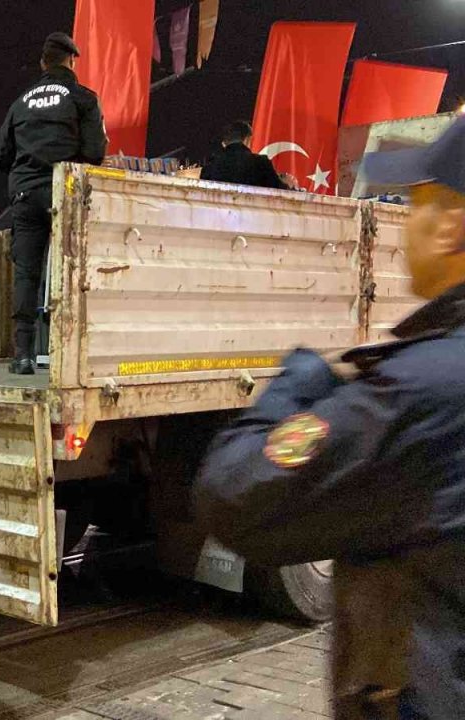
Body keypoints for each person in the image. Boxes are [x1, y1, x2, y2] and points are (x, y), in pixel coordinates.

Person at [195, 116, 465, 720]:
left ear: (451, 226)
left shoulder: (421, 389)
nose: (404, 225)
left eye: (414, 204)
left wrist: (300, 382)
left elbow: (235, 495)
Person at [0, 31, 107, 375]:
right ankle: (68, 355)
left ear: (43, 63)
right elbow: (95, 152)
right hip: (65, 193)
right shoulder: (82, 98)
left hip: (25, 195)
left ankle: (23, 355)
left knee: (27, 273)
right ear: (71, 61)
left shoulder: (20, 102)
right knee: (72, 271)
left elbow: (2, 156)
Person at [200, 121, 294, 190]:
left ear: (225, 142)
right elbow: (279, 191)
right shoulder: (260, 163)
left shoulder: (211, 165)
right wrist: (289, 184)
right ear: (247, 139)